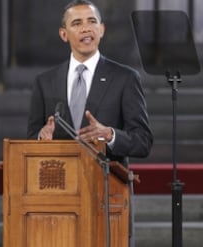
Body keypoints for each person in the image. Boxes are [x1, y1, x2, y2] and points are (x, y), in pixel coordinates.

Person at [27, 0, 153, 166]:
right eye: (77, 23)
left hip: (107, 185)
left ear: (101, 30)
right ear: (63, 34)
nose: (86, 28)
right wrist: (41, 138)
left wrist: (110, 135)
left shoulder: (125, 78)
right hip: (58, 182)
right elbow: (31, 140)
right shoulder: (44, 82)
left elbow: (143, 142)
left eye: (92, 21)